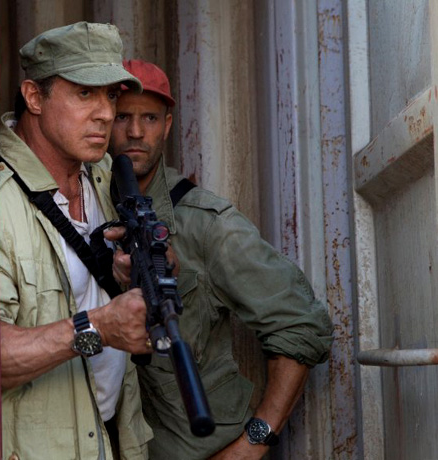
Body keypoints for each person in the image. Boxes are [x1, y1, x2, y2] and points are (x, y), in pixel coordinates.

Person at [109, 59, 334, 460]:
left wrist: (252, 445)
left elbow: (301, 325)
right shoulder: (82, 210)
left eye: (150, 118)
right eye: (122, 116)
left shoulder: (206, 222)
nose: (136, 132)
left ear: (168, 126)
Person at [0, 24, 154, 459]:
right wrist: (98, 327)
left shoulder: (106, 178)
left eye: (111, 95)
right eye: (85, 93)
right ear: (34, 97)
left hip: (112, 439)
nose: (106, 113)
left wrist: (134, 274)